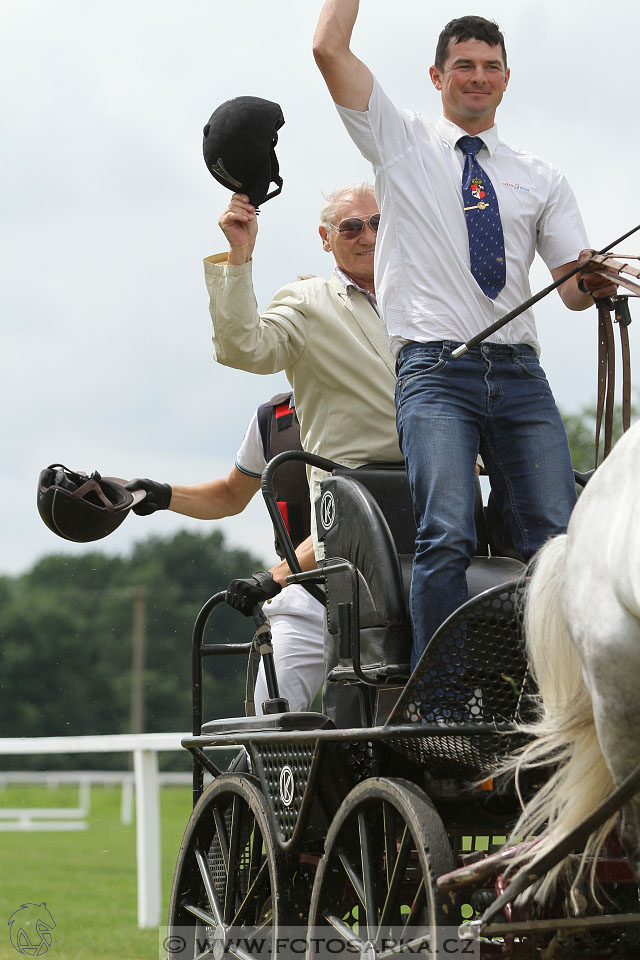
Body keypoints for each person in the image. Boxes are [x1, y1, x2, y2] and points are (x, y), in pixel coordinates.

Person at [313, 5, 618, 666]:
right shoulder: (400, 141)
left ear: (506, 77)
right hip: (435, 369)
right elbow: (328, 53)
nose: (477, 78)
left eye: (489, 67)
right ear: (437, 76)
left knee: (557, 539)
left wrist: (594, 281)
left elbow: (568, 290)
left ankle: (552, 695)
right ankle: (440, 699)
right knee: (446, 531)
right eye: (464, 67)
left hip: (519, 373)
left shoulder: (541, 177)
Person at [203, 182, 401, 554]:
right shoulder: (308, 301)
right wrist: (239, 252)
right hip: (354, 498)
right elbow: (243, 348)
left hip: (440, 492)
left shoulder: (427, 297)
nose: (368, 235)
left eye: (377, 222)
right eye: (351, 227)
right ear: (326, 239)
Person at [126, 392, 325, 715]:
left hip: (377, 590)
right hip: (303, 597)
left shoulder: (372, 398)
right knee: (268, 726)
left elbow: (345, 521)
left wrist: (275, 576)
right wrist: (161, 495)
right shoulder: (272, 419)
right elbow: (231, 494)